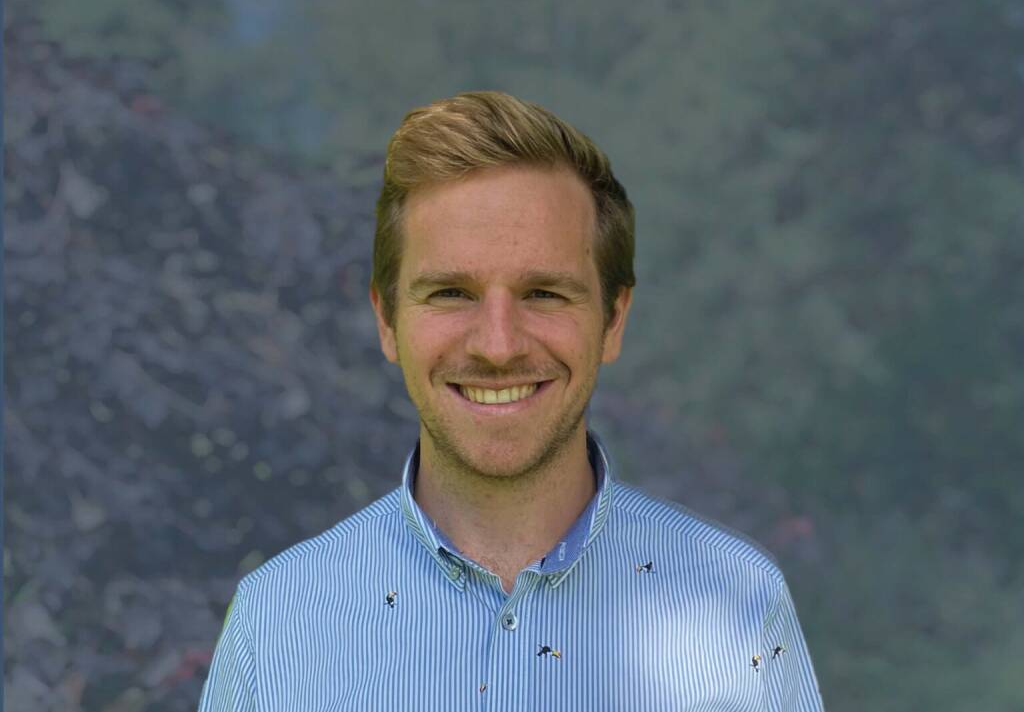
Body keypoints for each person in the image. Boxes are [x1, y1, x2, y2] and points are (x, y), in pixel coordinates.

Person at [198, 92, 825, 710]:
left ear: (613, 320)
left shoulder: (740, 603)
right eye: (451, 293)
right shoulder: (275, 622)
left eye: (544, 294)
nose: (498, 347)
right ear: (386, 320)